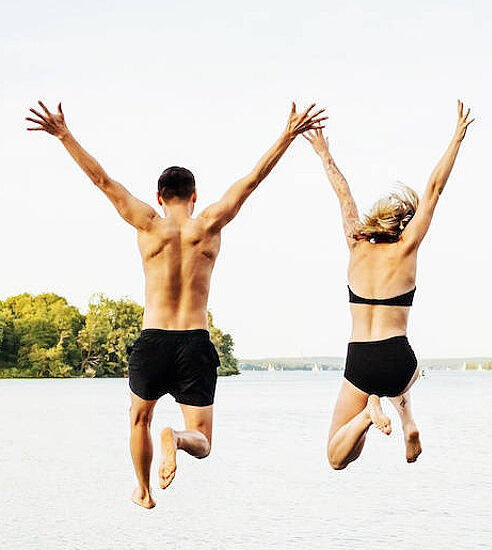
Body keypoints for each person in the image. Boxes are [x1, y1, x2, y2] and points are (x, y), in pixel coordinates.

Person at [27, 100, 326, 507]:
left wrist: (64, 135)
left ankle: (145, 490)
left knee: (139, 419)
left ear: (159, 195)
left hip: (153, 340)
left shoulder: (147, 222)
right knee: (202, 441)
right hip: (194, 342)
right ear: (195, 196)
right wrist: (287, 135)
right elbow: (252, 180)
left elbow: (102, 180)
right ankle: (178, 440)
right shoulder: (209, 223)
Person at [305, 101, 473, 469]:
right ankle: (408, 420)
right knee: (412, 373)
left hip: (360, 359)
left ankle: (368, 415)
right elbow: (434, 189)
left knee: (337, 457)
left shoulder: (355, 244)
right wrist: (457, 138)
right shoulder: (407, 248)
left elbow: (343, 192)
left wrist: (324, 153)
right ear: (402, 226)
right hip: (399, 358)